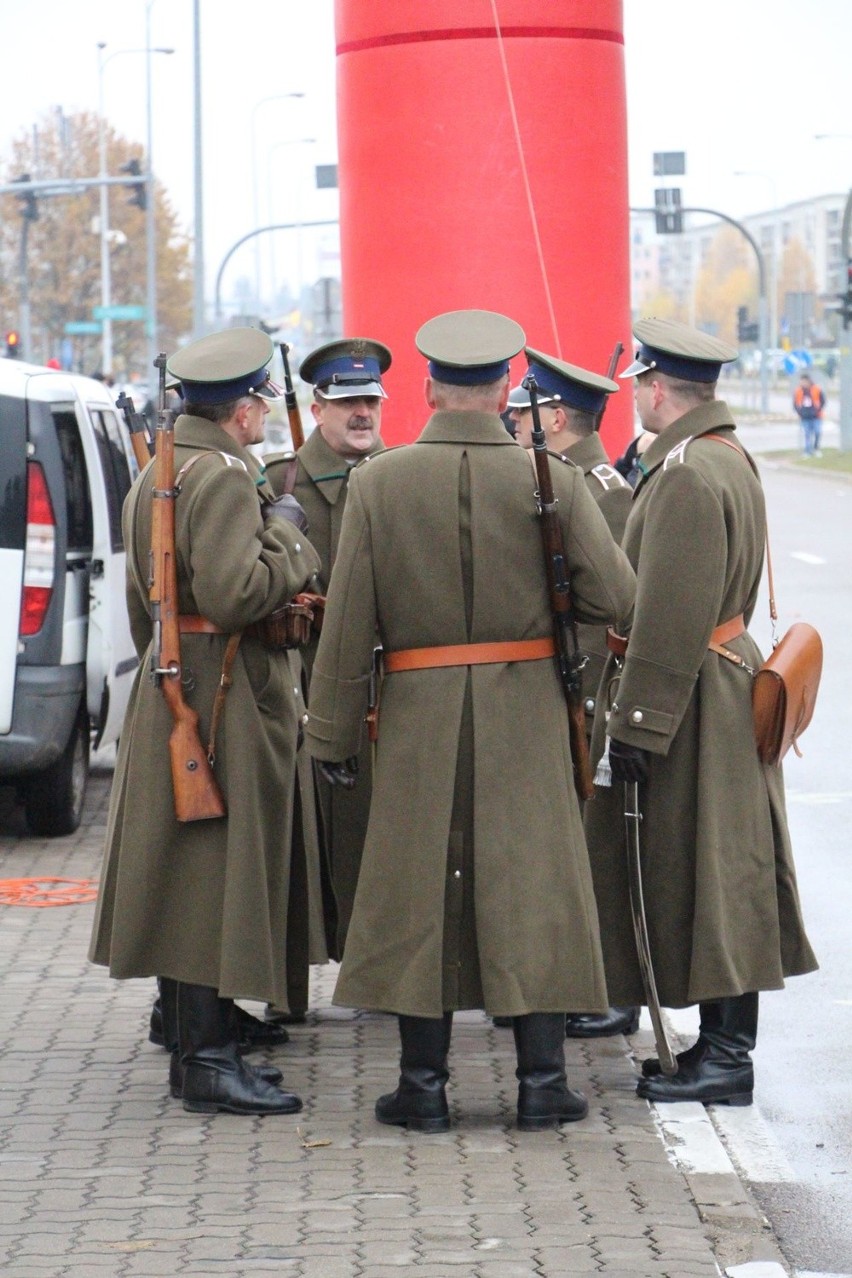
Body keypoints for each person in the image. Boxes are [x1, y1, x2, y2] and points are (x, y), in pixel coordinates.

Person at [304, 309, 635, 1132]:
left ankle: (422, 1088)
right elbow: (618, 598)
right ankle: (541, 1083)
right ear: (503, 392)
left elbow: (348, 626)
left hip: (415, 712)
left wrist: (332, 735)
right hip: (527, 707)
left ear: (424, 390)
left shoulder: (379, 482)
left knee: (419, 891)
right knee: (537, 887)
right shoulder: (550, 479)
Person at [89, 327, 330, 1116]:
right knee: (213, 873)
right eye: (261, 399)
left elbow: (142, 605)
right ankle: (207, 1060)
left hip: (177, 685)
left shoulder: (159, 468)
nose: (265, 412)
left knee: (189, 872)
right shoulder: (224, 474)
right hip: (226, 693)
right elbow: (234, 593)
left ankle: (203, 1032)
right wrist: (291, 534)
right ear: (244, 407)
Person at [584, 317, 818, 1106]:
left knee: (713, 879)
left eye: (640, 390)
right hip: (719, 679)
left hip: (693, 694)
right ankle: (721, 1051)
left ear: (656, 389)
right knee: (726, 875)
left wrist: (640, 726)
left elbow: (670, 613)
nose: (638, 402)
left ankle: (724, 1058)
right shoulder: (726, 456)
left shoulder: (685, 473)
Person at [510, 350, 640, 1042]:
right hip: (571, 682)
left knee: (596, 845)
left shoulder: (598, 487)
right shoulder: (568, 478)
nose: (510, 426)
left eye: (520, 415)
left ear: (554, 417)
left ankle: (612, 989)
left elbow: (618, 604)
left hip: (591, 685)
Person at [265, 336, 391, 964]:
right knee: (300, 841)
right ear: (318, 408)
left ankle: (384, 969)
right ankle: (289, 976)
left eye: (370, 398)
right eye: (347, 401)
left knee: (386, 842)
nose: (362, 412)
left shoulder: (402, 477)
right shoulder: (276, 481)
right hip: (301, 684)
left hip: (388, 692)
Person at [792, 371, 825, 457]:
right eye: (802, 381)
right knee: (807, 434)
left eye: (805, 381)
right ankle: (807, 451)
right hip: (805, 416)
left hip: (816, 416)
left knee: (817, 432)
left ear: (808, 381)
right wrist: (800, 412)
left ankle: (816, 448)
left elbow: (822, 401)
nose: (803, 383)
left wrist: (818, 410)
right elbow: (795, 403)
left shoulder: (816, 389)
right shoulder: (798, 391)